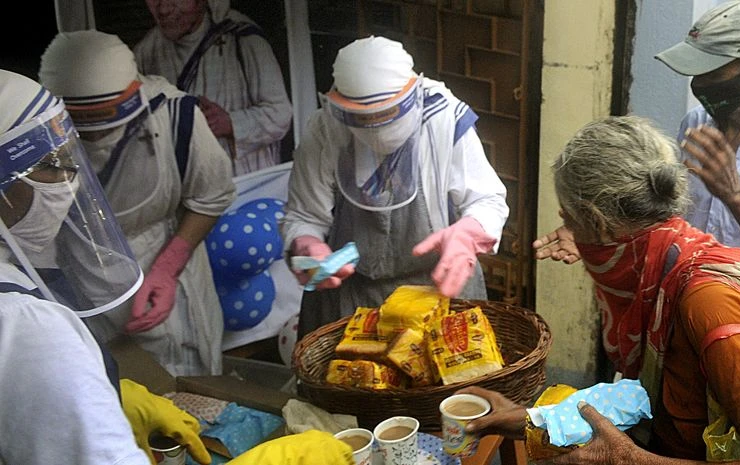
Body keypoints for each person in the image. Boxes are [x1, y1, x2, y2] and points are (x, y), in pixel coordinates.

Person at [461, 115, 740, 464]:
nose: (568, 235)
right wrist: (525, 419)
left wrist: (634, 460)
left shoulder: (708, 302)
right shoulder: (661, 264)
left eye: (569, 220)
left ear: (598, 223)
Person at [537, 1, 740, 302]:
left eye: (709, 74)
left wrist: (734, 194)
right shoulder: (697, 123)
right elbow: (662, 216)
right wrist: (593, 232)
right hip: (677, 310)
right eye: (695, 74)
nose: (697, 85)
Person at [0, 68, 209, 465]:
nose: (69, 182)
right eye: (50, 165)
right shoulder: (26, 324)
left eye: (69, 160)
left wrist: (100, 395)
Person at [39, 30, 237, 377]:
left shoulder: (177, 118)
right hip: (81, 274)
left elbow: (212, 196)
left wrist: (166, 269)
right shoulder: (34, 131)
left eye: (104, 120)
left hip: (164, 259)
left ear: (133, 93)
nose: (96, 135)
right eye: (83, 123)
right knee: (110, 383)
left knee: (187, 384)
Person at [282, 36, 509, 338]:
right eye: (362, 119)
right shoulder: (325, 130)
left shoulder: (443, 120)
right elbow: (303, 216)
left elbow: (488, 200)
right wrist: (307, 244)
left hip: (438, 291)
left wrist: (467, 235)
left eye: (385, 114)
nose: (375, 127)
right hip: (348, 301)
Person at [133, 0, 293, 176]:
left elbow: (280, 113)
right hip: (190, 187)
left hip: (246, 184)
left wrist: (230, 123)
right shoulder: (146, 53)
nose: (163, 9)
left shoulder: (242, 37)